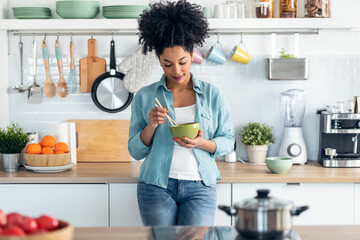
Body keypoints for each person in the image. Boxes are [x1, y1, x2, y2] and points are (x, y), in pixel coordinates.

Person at [128, 0, 235, 226]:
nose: (176, 70)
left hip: (200, 187)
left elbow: (228, 141)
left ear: (192, 54)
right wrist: (151, 126)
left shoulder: (213, 95)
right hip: (156, 186)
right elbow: (135, 151)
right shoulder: (145, 96)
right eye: (167, 64)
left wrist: (202, 143)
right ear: (158, 60)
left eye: (182, 62)